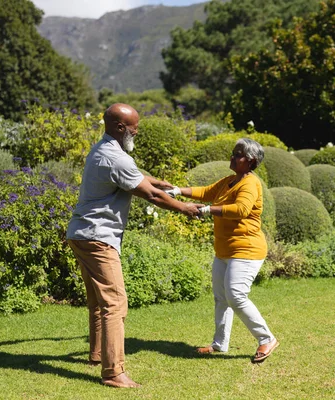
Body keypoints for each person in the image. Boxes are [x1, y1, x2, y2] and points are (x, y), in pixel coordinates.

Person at [66, 103, 203, 388]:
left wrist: (156, 180)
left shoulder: (102, 149)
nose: (137, 132)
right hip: (98, 238)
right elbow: (151, 195)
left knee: (97, 301)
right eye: (134, 128)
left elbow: (138, 179)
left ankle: (96, 355)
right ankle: (114, 373)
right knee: (115, 303)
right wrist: (184, 208)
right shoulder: (117, 159)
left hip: (81, 234)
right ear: (119, 127)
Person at [165, 138, 279, 363]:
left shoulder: (250, 183)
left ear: (251, 161)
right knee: (221, 298)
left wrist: (206, 211)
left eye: (238, 155)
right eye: (233, 153)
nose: (233, 157)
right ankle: (220, 344)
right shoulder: (230, 180)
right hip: (224, 250)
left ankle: (266, 338)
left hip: (246, 249)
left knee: (235, 296)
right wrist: (177, 191)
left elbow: (241, 209)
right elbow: (207, 191)